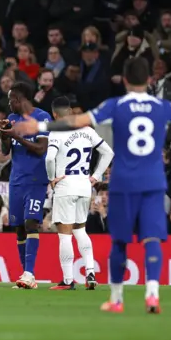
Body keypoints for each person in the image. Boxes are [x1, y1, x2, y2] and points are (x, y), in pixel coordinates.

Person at [11, 57, 171, 314]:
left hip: (123, 182)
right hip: (153, 181)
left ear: (124, 80)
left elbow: (77, 121)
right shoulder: (161, 105)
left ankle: (116, 298)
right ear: (148, 80)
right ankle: (153, 294)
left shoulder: (116, 105)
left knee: (120, 241)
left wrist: (41, 125)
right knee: (152, 238)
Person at [46, 96, 114, 290]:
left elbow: (50, 159)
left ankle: (68, 280)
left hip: (66, 186)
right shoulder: (87, 131)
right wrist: (96, 175)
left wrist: (52, 178)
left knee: (65, 236)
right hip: (84, 185)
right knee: (80, 231)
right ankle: (90, 273)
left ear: (55, 114)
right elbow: (109, 152)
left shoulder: (56, 132)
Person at [0, 81, 51, 289]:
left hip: (36, 179)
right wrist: (4, 135)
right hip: (16, 180)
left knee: (31, 223)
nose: (9, 104)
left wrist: (15, 135)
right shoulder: (12, 119)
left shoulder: (43, 117)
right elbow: (4, 151)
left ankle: (30, 272)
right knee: (19, 227)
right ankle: (25, 275)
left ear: (20, 100)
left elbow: (40, 148)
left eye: (11, 99)